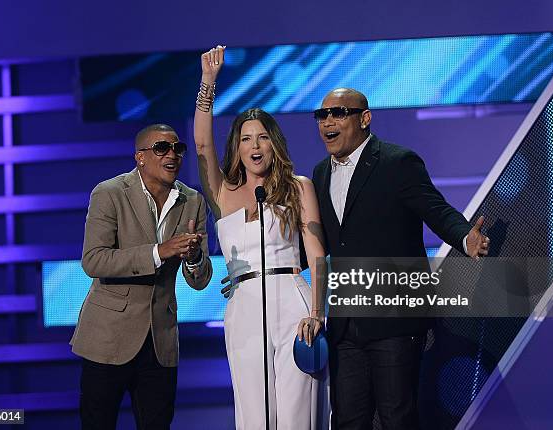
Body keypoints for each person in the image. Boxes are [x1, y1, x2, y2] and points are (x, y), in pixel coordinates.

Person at [311, 88, 490, 429]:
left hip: (394, 316)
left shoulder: (397, 162)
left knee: (397, 418)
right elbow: (322, 241)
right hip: (346, 323)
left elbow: (436, 211)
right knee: (348, 420)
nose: (328, 122)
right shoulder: (320, 173)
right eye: (322, 116)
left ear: (365, 118)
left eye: (338, 113)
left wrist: (466, 237)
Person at [194, 46, 328, 429]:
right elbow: (202, 145)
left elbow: (317, 255)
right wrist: (208, 83)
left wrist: (317, 313)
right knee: (254, 415)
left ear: (275, 144)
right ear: (236, 147)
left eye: (263, 138)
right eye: (246, 138)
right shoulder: (222, 193)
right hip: (243, 308)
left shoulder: (297, 187)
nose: (255, 146)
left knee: (297, 412)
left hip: (294, 302)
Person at [70, 123, 213, 430]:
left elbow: (199, 280)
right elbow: (93, 261)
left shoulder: (193, 201)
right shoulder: (109, 193)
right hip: (108, 338)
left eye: (177, 148)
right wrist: (157, 252)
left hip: (160, 341)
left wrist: (195, 258)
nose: (171, 155)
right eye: (161, 148)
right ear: (140, 157)